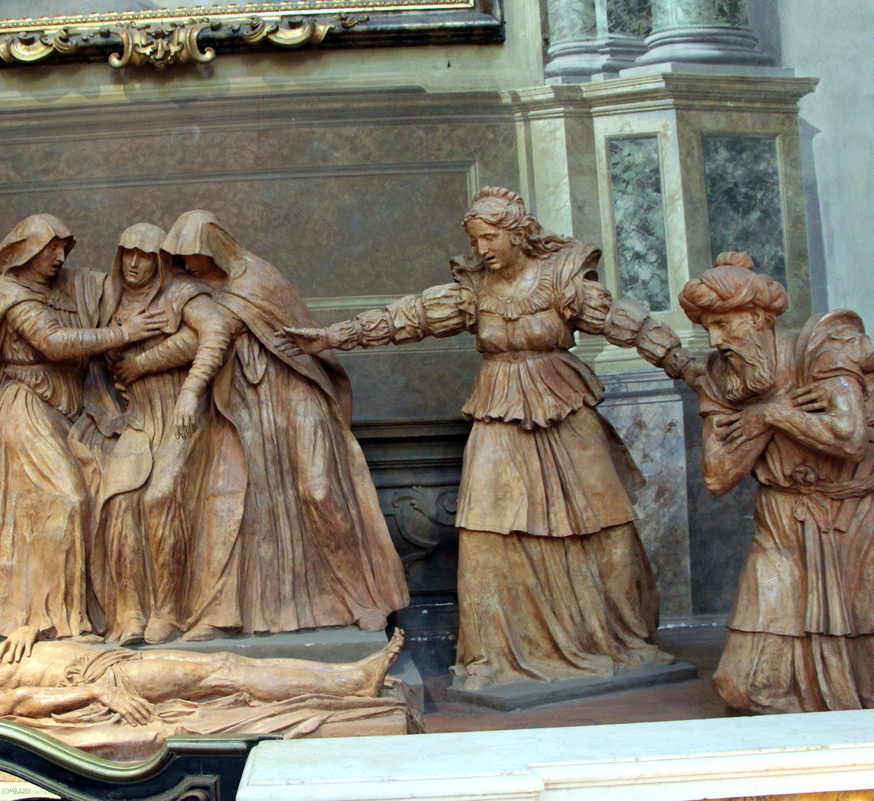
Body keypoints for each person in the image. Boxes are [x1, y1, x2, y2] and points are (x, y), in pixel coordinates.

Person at [283, 187, 697, 690]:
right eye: (476, 240)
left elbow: (626, 324)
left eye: (490, 237)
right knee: (486, 528)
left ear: (517, 234)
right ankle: (497, 652)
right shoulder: (475, 288)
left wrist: (685, 365)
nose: (482, 248)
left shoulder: (562, 280)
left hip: (564, 405)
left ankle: (615, 636)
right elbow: (407, 318)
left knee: (603, 520)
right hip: (498, 407)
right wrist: (333, 337)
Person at [0, 214, 165, 645]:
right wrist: (125, 332)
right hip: (26, 408)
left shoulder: (65, 288)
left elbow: (115, 283)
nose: (59, 257)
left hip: (71, 412)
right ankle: (57, 620)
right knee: (67, 498)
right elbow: (53, 343)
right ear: (26, 251)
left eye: (64, 248)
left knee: (104, 493)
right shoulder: (11, 295)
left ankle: (90, 613)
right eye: (51, 249)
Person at [159, 210, 410, 641]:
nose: (188, 264)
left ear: (214, 247)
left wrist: (144, 361)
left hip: (293, 393)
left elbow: (205, 339)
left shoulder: (256, 279)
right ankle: (226, 611)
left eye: (194, 254)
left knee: (319, 489)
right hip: (244, 405)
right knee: (234, 501)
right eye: (180, 258)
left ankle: (361, 599)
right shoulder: (196, 291)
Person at [679, 252, 874, 713]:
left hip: (852, 519)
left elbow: (848, 439)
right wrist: (768, 419)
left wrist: (770, 414)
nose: (716, 339)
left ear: (757, 316)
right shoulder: (721, 376)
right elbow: (717, 476)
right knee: (742, 686)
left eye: (723, 324)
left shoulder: (822, 349)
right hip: (781, 520)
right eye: (707, 327)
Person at [93, 223, 239, 645]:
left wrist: (189, 390)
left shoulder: (180, 291)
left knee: (160, 496)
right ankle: (130, 612)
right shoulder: (109, 298)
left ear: (160, 259)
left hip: (180, 414)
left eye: (145, 255)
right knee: (120, 501)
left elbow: (215, 331)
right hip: (138, 417)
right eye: (128, 254)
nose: (135, 264)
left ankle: (170, 612)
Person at [0, 626, 405, 727]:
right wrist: (96, 692)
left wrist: (27, 631)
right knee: (226, 671)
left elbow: (18, 663)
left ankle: (348, 680)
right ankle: (349, 684)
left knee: (225, 672)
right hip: (105, 678)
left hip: (103, 662)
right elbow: (7, 706)